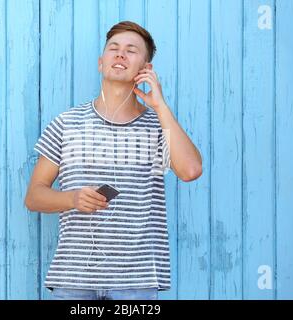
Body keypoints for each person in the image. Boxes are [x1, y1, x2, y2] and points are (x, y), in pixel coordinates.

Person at [24, 21, 202, 300]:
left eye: (131, 50)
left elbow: (191, 170)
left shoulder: (159, 127)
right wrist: (71, 199)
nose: (120, 55)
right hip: (74, 280)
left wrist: (160, 106)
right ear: (100, 62)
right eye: (114, 49)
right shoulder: (67, 123)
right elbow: (34, 196)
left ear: (146, 69)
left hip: (136, 283)